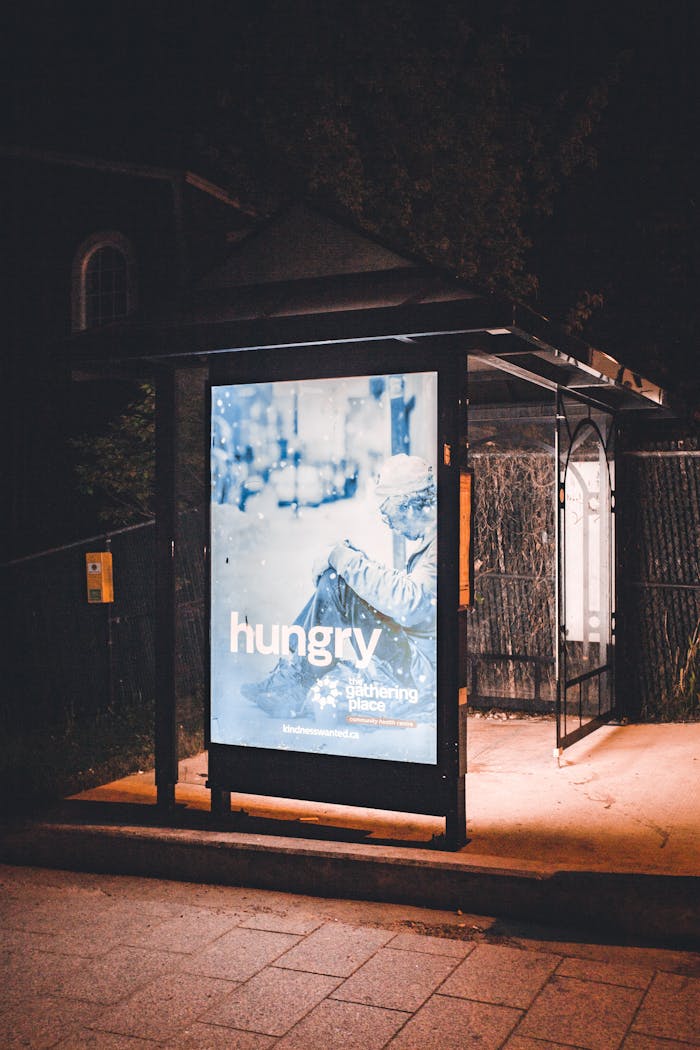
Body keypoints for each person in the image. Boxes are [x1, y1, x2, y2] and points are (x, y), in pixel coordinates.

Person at [241, 453, 437, 723]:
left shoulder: (440, 543)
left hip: (418, 675)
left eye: (386, 510)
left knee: (338, 585)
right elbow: (414, 594)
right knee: (341, 581)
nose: (385, 520)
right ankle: (295, 670)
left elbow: (411, 604)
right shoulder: (434, 537)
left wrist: (344, 559)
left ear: (407, 504)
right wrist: (356, 562)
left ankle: (297, 678)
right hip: (417, 661)